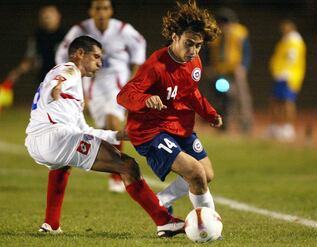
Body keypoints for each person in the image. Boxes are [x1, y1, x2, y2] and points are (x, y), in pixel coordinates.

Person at [25, 36, 184, 237]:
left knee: (63, 163)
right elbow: (61, 78)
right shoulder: (69, 70)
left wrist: (119, 135)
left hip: (37, 142)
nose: (100, 63)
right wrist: (58, 86)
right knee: (127, 166)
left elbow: (83, 130)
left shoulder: (73, 91)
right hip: (57, 137)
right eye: (96, 56)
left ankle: (51, 224)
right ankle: (165, 221)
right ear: (80, 54)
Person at [117, 0, 222, 216]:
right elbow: (124, 95)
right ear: (175, 37)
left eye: (198, 45)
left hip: (177, 125)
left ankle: (161, 201)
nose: (193, 50)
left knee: (207, 174)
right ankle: (209, 226)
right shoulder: (155, 66)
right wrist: (145, 99)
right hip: (151, 130)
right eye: (189, 43)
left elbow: (190, 92)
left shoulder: (194, 62)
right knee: (195, 172)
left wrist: (209, 113)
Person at [56, 0, 146, 193]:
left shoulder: (123, 29)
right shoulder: (80, 30)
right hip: (92, 85)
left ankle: (117, 174)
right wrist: (72, 81)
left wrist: (133, 81)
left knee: (113, 123)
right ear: (91, 11)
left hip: (118, 85)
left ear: (111, 10)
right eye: (97, 8)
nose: (101, 12)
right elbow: (62, 55)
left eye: (105, 8)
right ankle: (115, 166)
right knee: (104, 129)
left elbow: (140, 49)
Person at [0, 5, 66, 112]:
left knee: (61, 110)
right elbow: (30, 59)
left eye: (49, 15)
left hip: (63, 79)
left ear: (58, 16)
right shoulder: (37, 36)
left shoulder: (66, 36)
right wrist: (16, 73)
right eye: (44, 16)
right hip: (43, 79)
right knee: (46, 111)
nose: (46, 18)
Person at [205, 7, 254, 134]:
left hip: (235, 70)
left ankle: (245, 125)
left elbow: (246, 51)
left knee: (242, 97)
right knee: (222, 96)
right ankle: (223, 123)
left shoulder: (240, 33)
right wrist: (207, 67)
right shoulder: (214, 34)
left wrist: (243, 66)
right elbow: (207, 52)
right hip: (220, 71)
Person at [268, 19, 306, 141]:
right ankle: (276, 127)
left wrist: (284, 72)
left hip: (288, 76)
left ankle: (288, 128)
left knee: (287, 102)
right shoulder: (287, 40)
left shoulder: (294, 41)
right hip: (281, 75)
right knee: (276, 101)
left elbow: (291, 58)